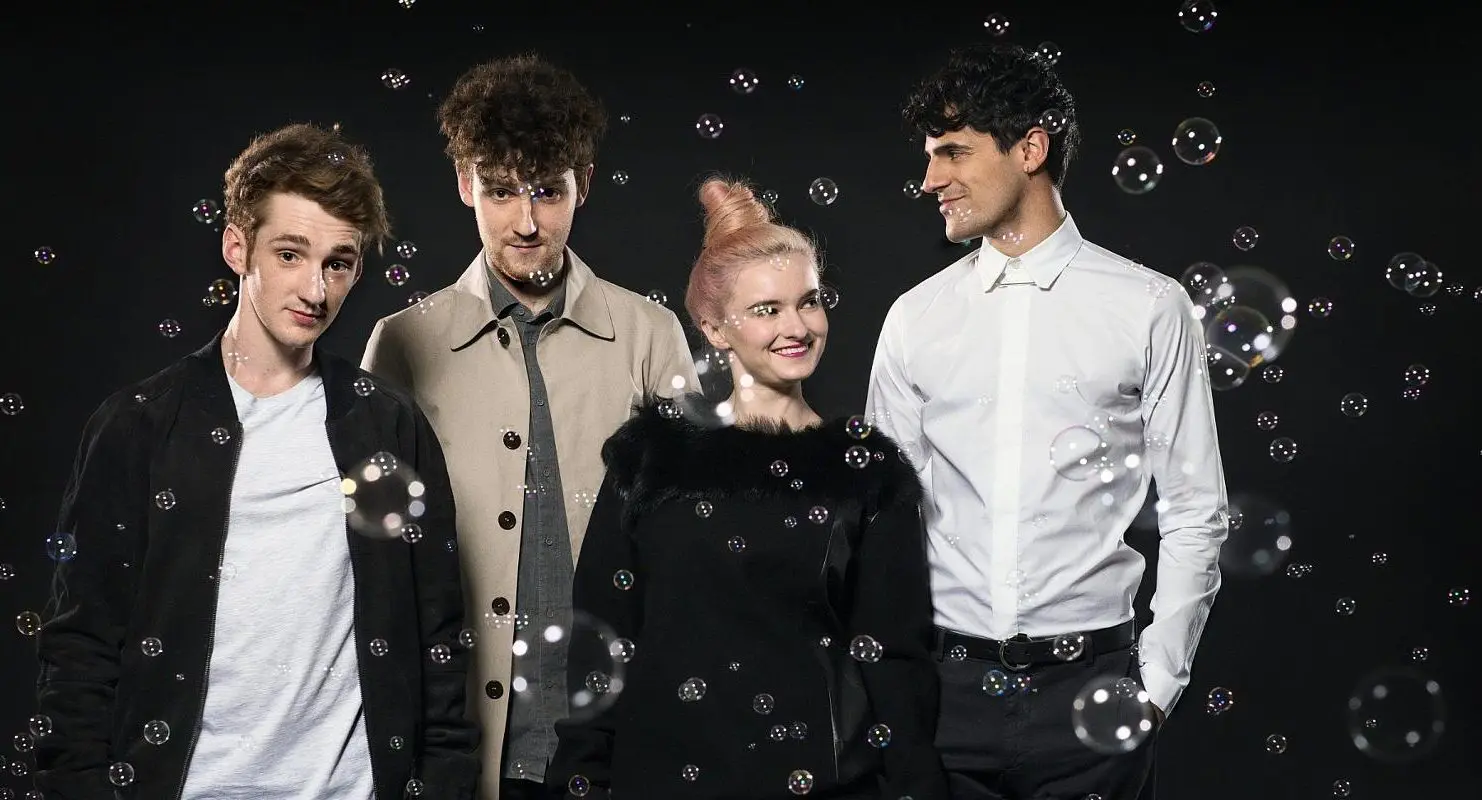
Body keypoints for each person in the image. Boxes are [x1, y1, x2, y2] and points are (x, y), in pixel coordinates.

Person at [33, 123, 479, 800]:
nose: (315, 289)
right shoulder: (140, 426)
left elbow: (437, 634)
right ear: (237, 247)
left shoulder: (386, 425)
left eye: (338, 263)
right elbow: (81, 645)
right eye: (290, 254)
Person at [868, 43, 1229, 800]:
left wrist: (1158, 685)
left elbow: (1195, 508)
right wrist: (896, 692)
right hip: (945, 696)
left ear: (1031, 149)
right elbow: (883, 520)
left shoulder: (1149, 307)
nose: (930, 179)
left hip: (1096, 693)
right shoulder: (914, 318)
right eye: (929, 156)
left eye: (954, 152)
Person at [360, 54, 699, 800]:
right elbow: (374, 566)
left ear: (585, 183)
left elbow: (689, 548)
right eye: (500, 190)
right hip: (460, 740)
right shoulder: (401, 342)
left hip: (613, 738)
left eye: (548, 190)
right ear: (464, 185)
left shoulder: (651, 335)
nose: (525, 221)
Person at [545, 177, 948, 799]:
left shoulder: (867, 473)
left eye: (809, 302)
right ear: (714, 328)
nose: (797, 327)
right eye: (767, 310)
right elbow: (602, 639)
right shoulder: (651, 460)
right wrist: (582, 779)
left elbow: (895, 659)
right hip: (661, 783)